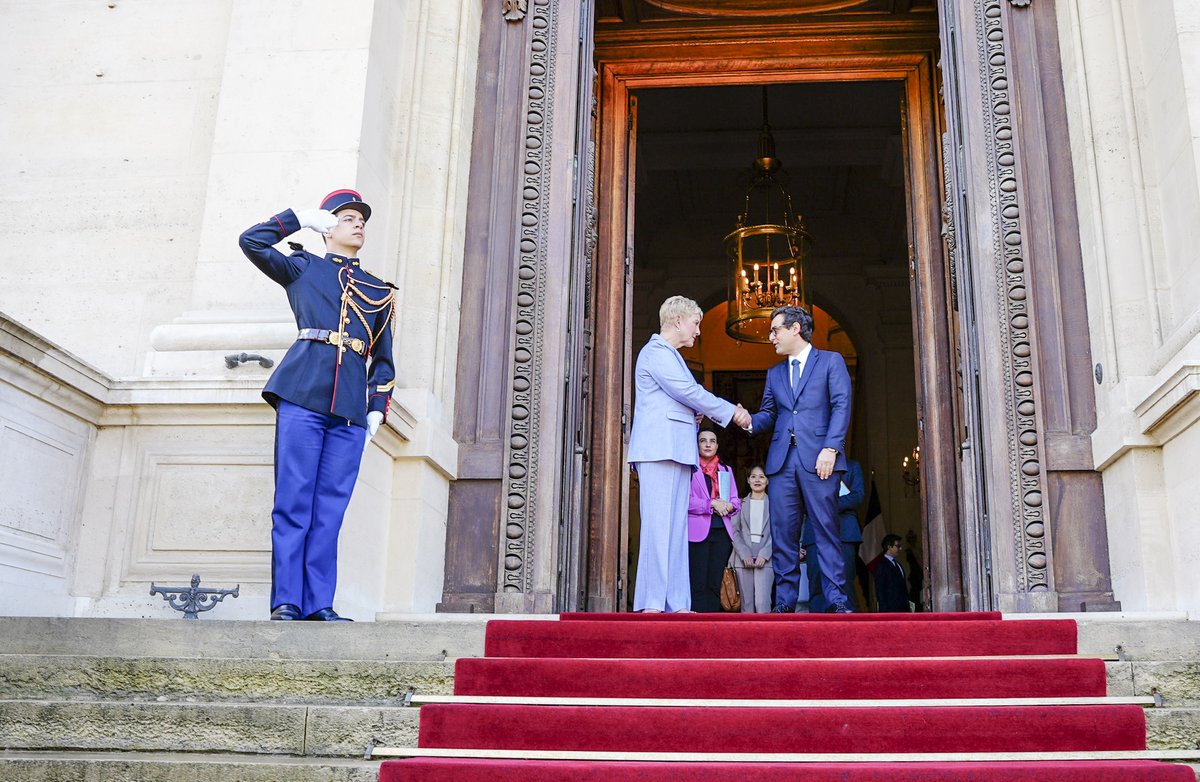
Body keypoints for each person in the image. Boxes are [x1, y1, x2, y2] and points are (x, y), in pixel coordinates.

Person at [239, 189, 396, 622]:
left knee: (330, 509)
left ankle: (319, 603)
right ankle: (287, 600)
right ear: (328, 226)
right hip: (303, 393)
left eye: (361, 219)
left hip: (349, 408)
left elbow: (383, 361)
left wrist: (377, 408)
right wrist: (299, 218)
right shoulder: (302, 267)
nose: (358, 223)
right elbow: (250, 241)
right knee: (293, 502)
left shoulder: (378, 291)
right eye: (347, 218)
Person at [628, 296, 751, 612]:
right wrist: (730, 412)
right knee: (658, 528)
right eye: (696, 323)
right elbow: (687, 391)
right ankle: (652, 603)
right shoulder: (657, 352)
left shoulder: (670, 356)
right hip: (659, 450)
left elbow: (678, 398)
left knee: (674, 530)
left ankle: (676, 602)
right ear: (677, 320)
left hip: (676, 451)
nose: (698, 331)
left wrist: (691, 415)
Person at [745, 305, 853, 613]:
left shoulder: (830, 362)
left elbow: (841, 405)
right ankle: (784, 602)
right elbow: (768, 414)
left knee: (826, 531)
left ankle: (837, 602)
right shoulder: (775, 373)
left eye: (775, 330)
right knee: (783, 535)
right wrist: (747, 420)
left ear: (796, 329)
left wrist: (831, 448)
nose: (771, 337)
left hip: (820, 458)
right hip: (782, 463)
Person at [687, 430, 741, 612]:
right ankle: (696, 625)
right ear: (697, 445)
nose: (708, 444)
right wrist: (711, 504)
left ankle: (711, 624)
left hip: (722, 533)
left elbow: (735, 501)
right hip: (697, 534)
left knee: (715, 582)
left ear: (717, 446)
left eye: (712, 441)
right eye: (703, 441)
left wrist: (729, 506)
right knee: (698, 582)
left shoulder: (726, 471)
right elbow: (685, 501)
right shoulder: (690, 470)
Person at [803, 457, 865, 612]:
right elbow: (799, 498)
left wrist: (829, 504)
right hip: (815, 529)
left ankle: (848, 630)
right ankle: (817, 627)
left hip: (845, 531)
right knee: (816, 581)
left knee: (845, 580)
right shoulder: (809, 464)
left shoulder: (852, 465)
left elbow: (858, 495)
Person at [729, 465, 774, 613]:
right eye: (753, 476)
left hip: (766, 559)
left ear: (767, 481)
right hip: (743, 559)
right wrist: (744, 553)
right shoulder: (739, 504)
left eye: (761, 477)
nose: (757, 480)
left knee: (762, 603)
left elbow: (779, 532)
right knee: (746, 605)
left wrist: (765, 554)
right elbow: (733, 531)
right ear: (748, 480)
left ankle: (765, 636)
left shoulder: (774, 505)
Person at [875, 534, 912, 612]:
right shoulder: (881, 566)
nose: (900, 548)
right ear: (889, 547)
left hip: (903, 610)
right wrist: (884, 613)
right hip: (890, 611)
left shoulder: (898, 564)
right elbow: (880, 591)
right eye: (898, 546)